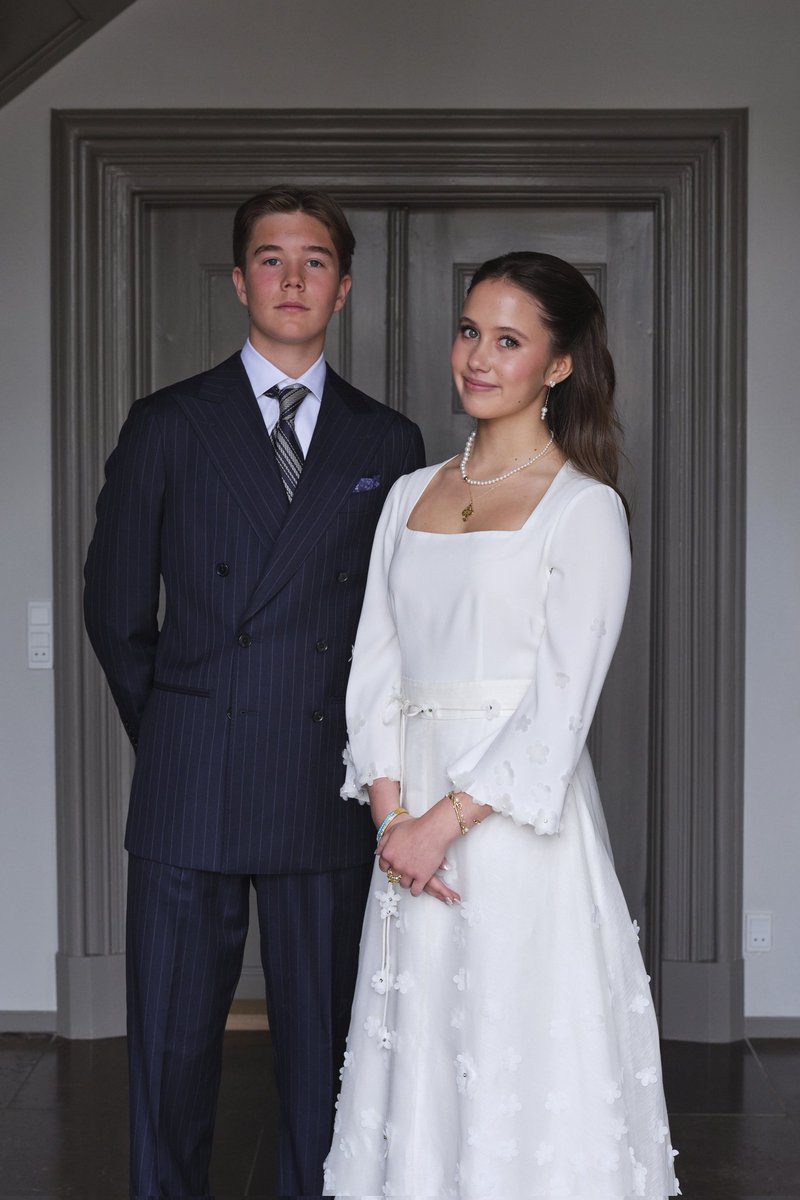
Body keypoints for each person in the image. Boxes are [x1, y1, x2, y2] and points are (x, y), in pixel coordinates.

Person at [83, 185, 425, 1200]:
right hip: (192, 777)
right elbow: (113, 610)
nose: (290, 278)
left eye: (312, 260)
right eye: (269, 259)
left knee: (322, 1054)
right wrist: (183, 729)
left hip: (324, 776)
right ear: (238, 280)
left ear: (344, 286)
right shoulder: (167, 424)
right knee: (171, 1049)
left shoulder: (387, 440)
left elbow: (393, 630)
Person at [323, 252, 679, 1198]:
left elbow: (560, 712)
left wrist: (441, 823)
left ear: (558, 366)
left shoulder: (585, 511)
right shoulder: (408, 495)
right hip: (408, 836)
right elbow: (376, 671)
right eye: (471, 331)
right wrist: (393, 821)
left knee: (513, 1056)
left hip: (515, 834)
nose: (478, 358)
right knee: (424, 1064)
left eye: (509, 340)